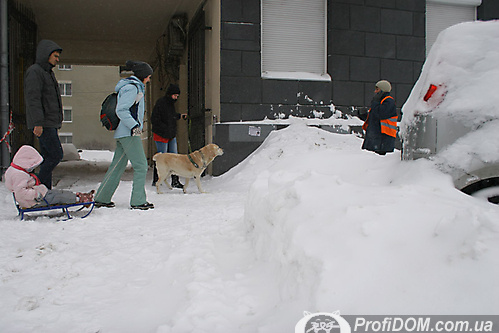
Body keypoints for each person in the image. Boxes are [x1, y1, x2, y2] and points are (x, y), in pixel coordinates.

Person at [94, 60, 154, 210]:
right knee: (141, 165)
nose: (149, 79)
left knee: (117, 166)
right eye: (148, 76)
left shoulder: (131, 87)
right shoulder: (132, 88)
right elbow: (122, 110)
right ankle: (138, 201)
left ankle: (102, 197)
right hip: (129, 132)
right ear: (143, 76)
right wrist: (135, 126)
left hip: (124, 132)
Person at [24, 39, 64, 189]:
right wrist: (38, 122)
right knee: (56, 155)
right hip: (44, 123)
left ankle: (45, 190)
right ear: (45, 55)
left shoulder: (48, 73)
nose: (57, 59)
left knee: (48, 157)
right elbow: (33, 99)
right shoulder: (35, 72)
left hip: (50, 122)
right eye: (55, 56)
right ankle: (35, 184)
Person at [4, 145, 93, 208]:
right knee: (58, 197)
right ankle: (79, 199)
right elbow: (20, 192)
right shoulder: (19, 175)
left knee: (56, 193)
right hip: (34, 200)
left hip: (38, 194)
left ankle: (77, 195)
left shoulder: (15, 170)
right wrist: (36, 194)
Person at [151, 83, 187, 187]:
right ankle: (157, 179)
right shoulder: (161, 103)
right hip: (161, 135)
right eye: (175, 95)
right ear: (169, 94)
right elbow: (155, 119)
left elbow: (170, 116)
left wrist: (179, 116)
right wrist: (164, 128)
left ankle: (175, 180)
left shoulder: (170, 105)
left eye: (177, 96)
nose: (176, 98)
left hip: (170, 135)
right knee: (161, 158)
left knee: (175, 158)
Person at [361, 80, 398, 155]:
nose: (375, 91)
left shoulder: (388, 101)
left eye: (377, 89)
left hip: (383, 139)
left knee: (380, 162)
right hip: (378, 139)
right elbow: (374, 117)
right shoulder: (380, 101)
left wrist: (375, 103)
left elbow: (381, 114)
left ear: (383, 90)